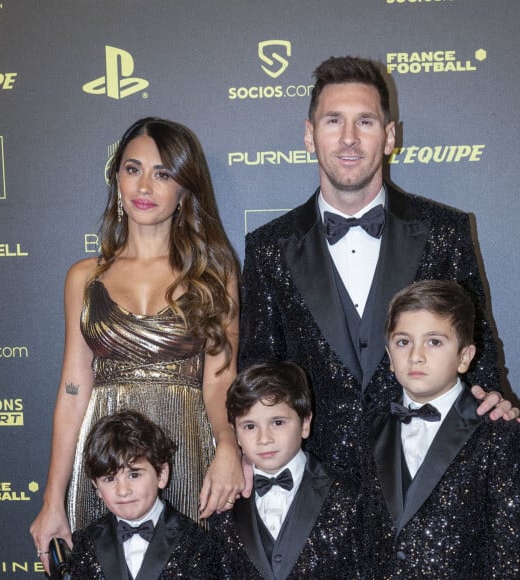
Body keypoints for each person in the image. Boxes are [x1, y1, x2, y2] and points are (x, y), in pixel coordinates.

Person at [239, 55, 518, 472]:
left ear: (388, 137)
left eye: (365, 122)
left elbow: (475, 339)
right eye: (333, 121)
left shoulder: (444, 230)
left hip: (423, 479)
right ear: (310, 135)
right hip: (315, 486)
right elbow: (259, 365)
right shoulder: (268, 247)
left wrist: (489, 397)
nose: (348, 138)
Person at [31, 117, 244, 573]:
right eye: (133, 169)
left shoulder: (214, 275)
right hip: (104, 456)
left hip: (187, 451)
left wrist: (228, 447)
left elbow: (221, 380)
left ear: (185, 189)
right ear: (117, 179)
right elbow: (72, 392)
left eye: (163, 173)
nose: (144, 185)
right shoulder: (83, 278)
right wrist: (52, 499)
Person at [365, 280, 520, 579]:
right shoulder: (369, 430)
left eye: (434, 341)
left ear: (465, 357)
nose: (416, 355)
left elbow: (508, 555)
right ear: (389, 356)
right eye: (403, 342)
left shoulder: (498, 434)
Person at [217, 361, 366, 579]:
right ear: (235, 433)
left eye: (277, 422)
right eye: (250, 426)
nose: (264, 439)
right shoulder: (225, 503)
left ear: (305, 423)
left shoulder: (350, 493)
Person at [68, 409, 222, 579]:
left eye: (134, 475)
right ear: (96, 486)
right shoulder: (83, 544)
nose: (123, 491)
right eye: (109, 479)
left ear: (161, 474)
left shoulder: (197, 543)